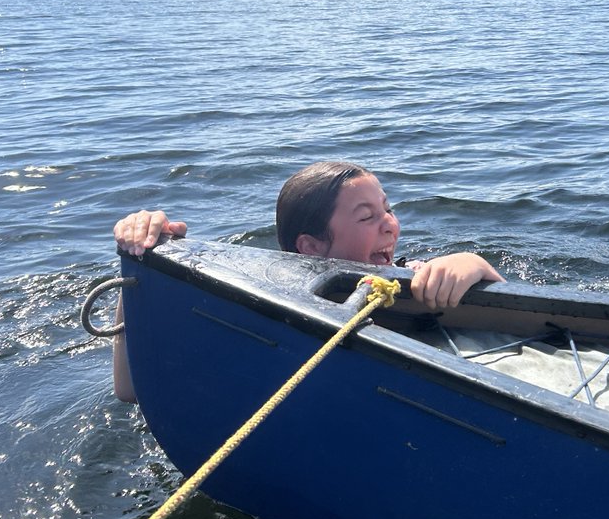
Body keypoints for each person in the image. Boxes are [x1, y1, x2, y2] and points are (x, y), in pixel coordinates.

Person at [112, 160, 504, 402]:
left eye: (388, 208)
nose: (389, 224)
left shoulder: (410, 276)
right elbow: (132, 390)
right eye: (367, 217)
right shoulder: (263, 304)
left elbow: (512, 325)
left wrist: (471, 265)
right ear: (311, 247)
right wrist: (142, 265)